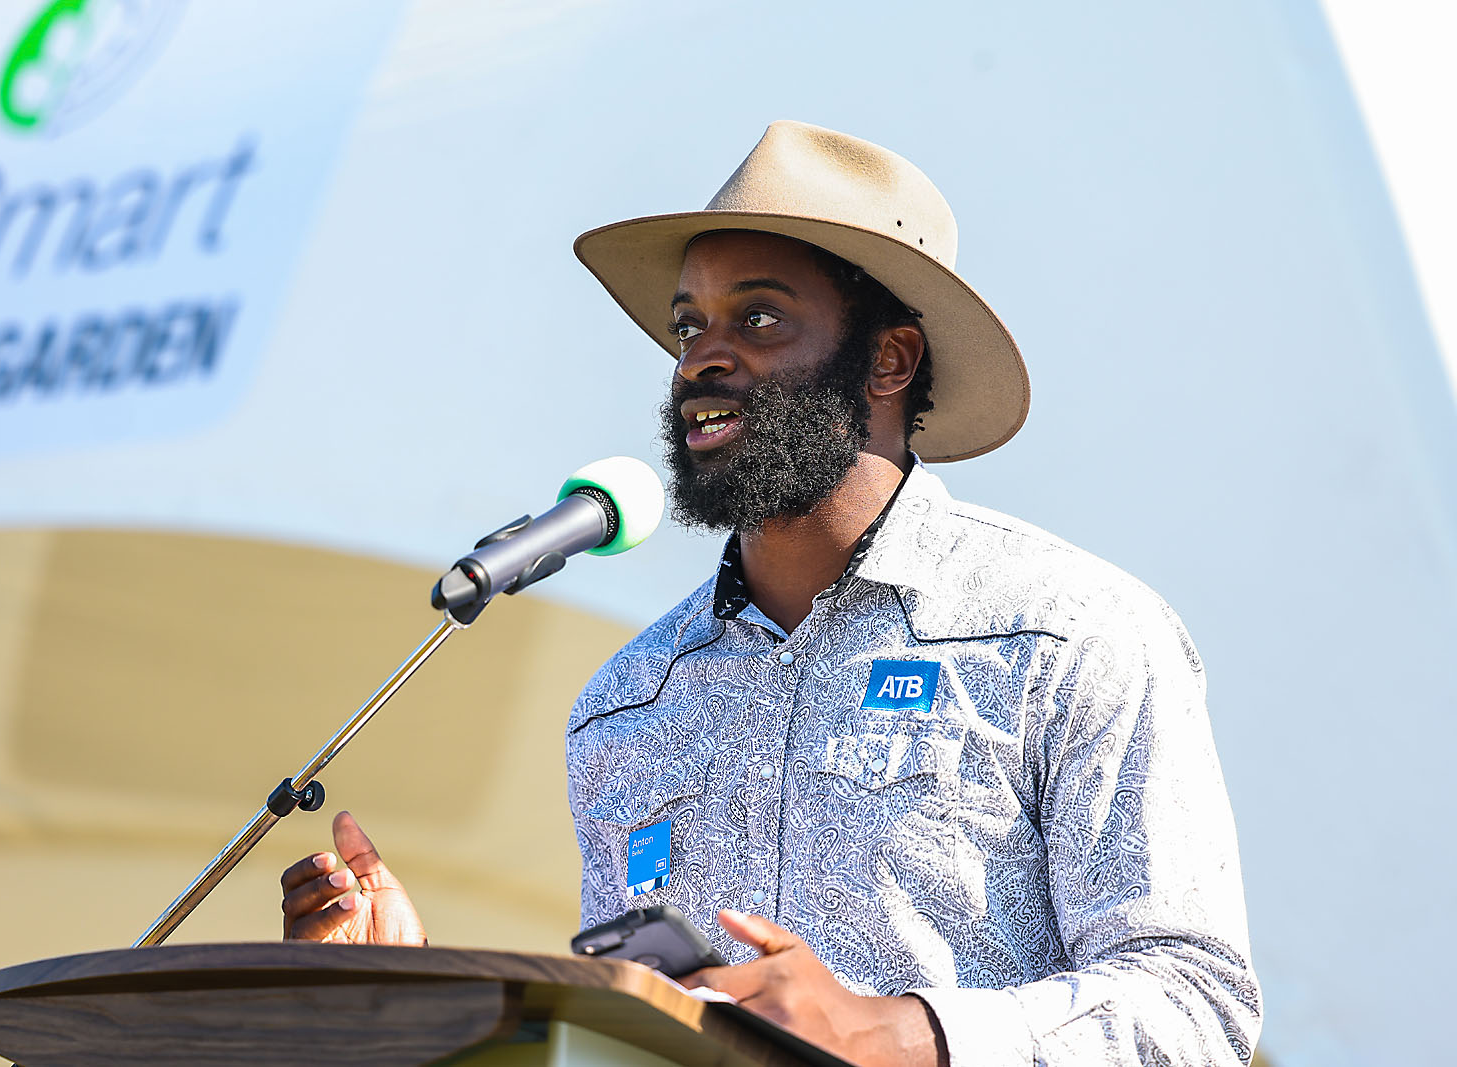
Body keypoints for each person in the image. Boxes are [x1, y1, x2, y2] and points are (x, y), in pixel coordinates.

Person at [281, 121, 1262, 1067]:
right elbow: (628, 1037)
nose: (702, 354)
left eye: (757, 317)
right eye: (687, 325)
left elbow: (1194, 1005)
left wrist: (904, 1034)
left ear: (889, 359)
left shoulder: (1067, 632)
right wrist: (407, 996)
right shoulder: (628, 699)